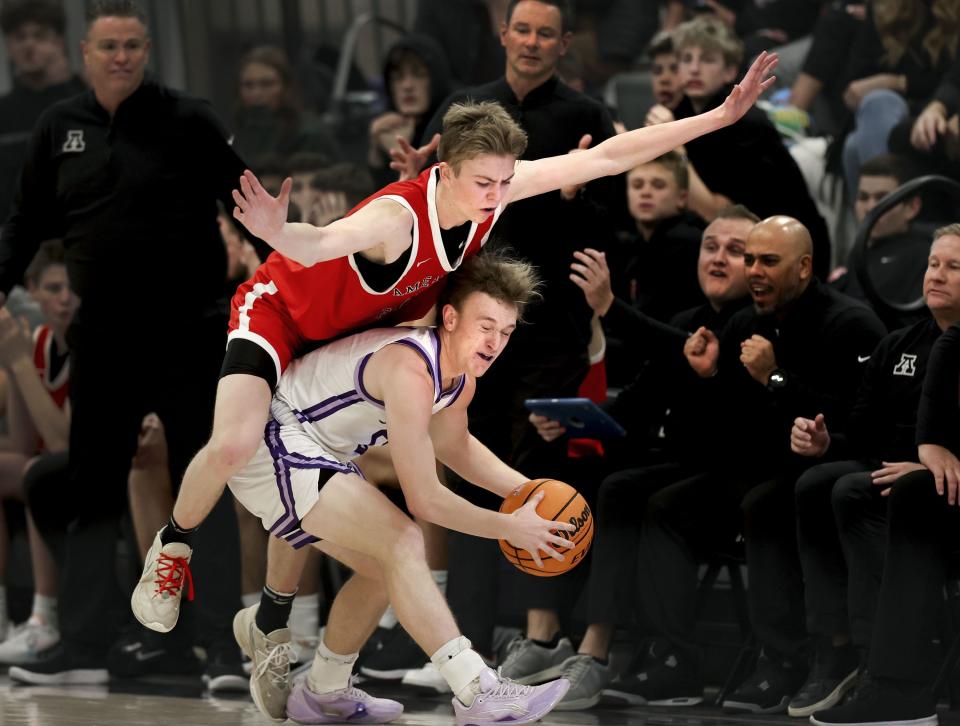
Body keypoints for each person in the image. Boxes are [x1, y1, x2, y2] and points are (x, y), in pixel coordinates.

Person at [129, 27, 778, 644]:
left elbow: (609, 156)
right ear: (445, 169)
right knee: (237, 441)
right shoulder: (395, 217)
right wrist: (275, 233)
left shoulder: (490, 188)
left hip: (354, 332)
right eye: (485, 184)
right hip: (280, 315)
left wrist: (720, 116)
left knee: (323, 457)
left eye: (504, 183)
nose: (497, 198)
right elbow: (323, 241)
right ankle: (174, 544)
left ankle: (272, 619)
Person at [0, 0, 252, 685]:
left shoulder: (190, 118)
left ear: (146, 50)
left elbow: (247, 204)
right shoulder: (60, 127)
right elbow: (24, 224)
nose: (121, 58)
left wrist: (286, 273)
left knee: (206, 489)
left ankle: (221, 646)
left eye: (132, 46)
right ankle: (82, 644)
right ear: (86, 52)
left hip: (189, 334)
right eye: (108, 46)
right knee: (94, 486)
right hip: (103, 339)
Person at [226, 252, 573, 724]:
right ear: (449, 317)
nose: (495, 342)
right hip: (270, 440)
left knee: (383, 568)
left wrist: (530, 489)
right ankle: (476, 689)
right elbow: (425, 498)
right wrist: (511, 526)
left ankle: (323, 691)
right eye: (486, 325)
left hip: (316, 450)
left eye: (506, 331)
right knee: (404, 539)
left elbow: (457, 447)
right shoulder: (410, 370)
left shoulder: (458, 378)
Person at [611, 216, 885, 713]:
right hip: (751, 467)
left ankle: (785, 658)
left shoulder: (850, 323)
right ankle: (674, 659)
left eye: (768, 261)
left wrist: (775, 378)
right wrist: (712, 376)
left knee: (765, 504)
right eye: (751, 259)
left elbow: (859, 424)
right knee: (664, 505)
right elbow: (728, 419)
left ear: (804, 267)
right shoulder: (745, 323)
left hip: (814, 475)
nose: (754, 271)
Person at [511, 205, 757, 709]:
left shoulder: (755, 324)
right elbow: (634, 408)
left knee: (627, 491)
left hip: (732, 473)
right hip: (674, 460)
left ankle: (598, 650)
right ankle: (542, 638)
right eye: (712, 247)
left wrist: (611, 307)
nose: (718, 258)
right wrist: (573, 420)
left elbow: (695, 357)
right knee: (548, 469)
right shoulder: (689, 320)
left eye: (736, 251)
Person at [787, 224, 960, 717]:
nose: (937, 276)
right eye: (933, 264)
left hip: (931, 489)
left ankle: (878, 656)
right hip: (891, 473)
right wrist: (824, 443)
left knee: (853, 491)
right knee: (816, 481)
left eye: (954, 267)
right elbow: (862, 433)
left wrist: (925, 461)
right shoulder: (900, 344)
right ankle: (835, 646)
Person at [648, 17, 832, 278]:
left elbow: (719, 213)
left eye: (708, 59)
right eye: (686, 59)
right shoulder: (681, 112)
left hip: (787, 251)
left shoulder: (747, 124)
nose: (694, 69)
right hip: (728, 240)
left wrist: (673, 145)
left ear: (730, 71)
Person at [0, 240, 73, 661]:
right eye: (53, 288)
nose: (64, 299)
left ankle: (43, 619)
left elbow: (64, 442)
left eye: (71, 287)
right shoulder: (41, 339)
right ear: (34, 293)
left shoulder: (90, 342)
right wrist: (15, 364)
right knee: (20, 467)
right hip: (49, 465)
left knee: (38, 473)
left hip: (91, 468)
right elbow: (24, 442)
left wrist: (21, 366)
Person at [0, 0, 87, 226]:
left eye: (39, 36)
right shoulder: (4, 113)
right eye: (20, 37)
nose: (29, 45)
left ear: (58, 41)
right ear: (8, 45)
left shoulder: (86, 100)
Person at [231, 45, 339, 168]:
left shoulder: (309, 135)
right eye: (248, 85)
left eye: (267, 84)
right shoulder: (238, 129)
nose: (256, 93)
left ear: (286, 87)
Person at [367, 35, 453, 188]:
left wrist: (405, 158)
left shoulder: (454, 127)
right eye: (397, 77)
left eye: (419, 75)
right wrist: (376, 151)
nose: (407, 86)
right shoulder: (387, 126)